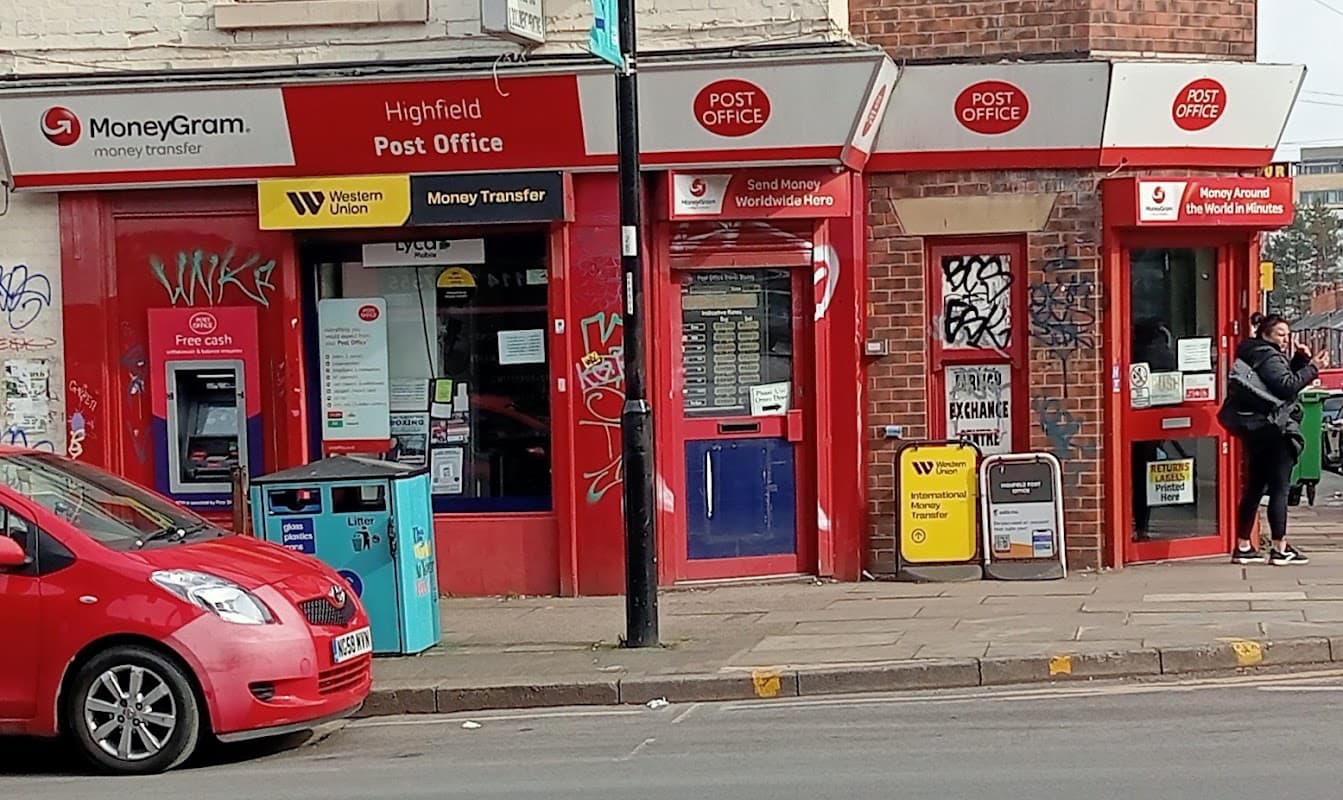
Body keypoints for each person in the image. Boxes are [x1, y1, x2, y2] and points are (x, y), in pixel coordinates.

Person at [1218, 312, 1329, 565]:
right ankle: (1280, 548)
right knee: (1279, 488)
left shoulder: (1253, 352)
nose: (1285, 339)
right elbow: (1286, 387)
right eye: (1280, 334)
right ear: (1265, 333)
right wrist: (1313, 368)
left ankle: (1243, 546)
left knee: (1255, 487)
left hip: (1257, 428)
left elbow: (1274, 383)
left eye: (1287, 335)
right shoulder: (1267, 355)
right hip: (1275, 429)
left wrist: (1300, 360)